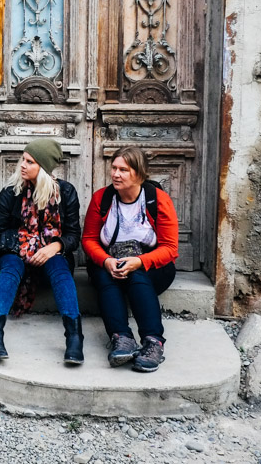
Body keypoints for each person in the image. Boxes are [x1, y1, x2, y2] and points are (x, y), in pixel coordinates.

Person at [0, 139, 84, 365]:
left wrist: (54, 247)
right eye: (23, 159)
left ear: (44, 167)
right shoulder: (11, 192)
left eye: (30, 161)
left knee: (59, 268)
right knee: (9, 266)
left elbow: (73, 235)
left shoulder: (66, 193)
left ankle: (75, 337)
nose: (23, 165)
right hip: (16, 250)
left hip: (50, 255)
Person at [81, 146, 178, 372]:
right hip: (111, 262)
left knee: (137, 275)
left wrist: (139, 261)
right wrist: (106, 261)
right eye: (114, 168)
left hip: (152, 267)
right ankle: (122, 338)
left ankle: (154, 342)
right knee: (104, 276)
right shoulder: (102, 199)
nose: (115, 174)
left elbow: (170, 248)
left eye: (123, 170)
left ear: (139, 173)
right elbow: (88, 239)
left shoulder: (157, 200)